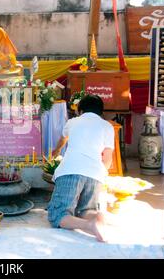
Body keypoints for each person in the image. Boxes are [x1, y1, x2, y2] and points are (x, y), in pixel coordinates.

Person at [47, 94, 114, 242]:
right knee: (85, 210)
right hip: (95, 174)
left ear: (80, 110)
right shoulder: (107, 126)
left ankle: (89, 225)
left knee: (57, 214)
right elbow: (107, 159)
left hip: (71, 170)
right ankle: (96, 217)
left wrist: (56, 151)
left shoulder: (73, 122)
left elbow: (63, 140)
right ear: (101, 112)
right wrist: (101, 177)